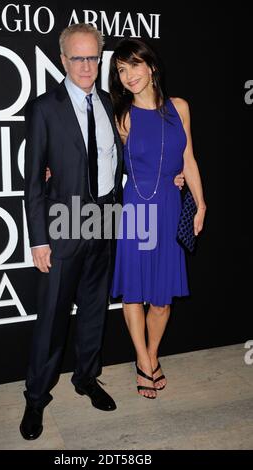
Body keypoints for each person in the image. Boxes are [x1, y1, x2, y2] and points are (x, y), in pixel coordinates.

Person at [22, 24, 184, 440]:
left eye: (93, 57)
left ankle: (87, 378)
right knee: (54, 316)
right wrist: (38, 238)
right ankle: (37, 396)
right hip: (65, 222)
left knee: (95, 310)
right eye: (77, 58)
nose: (86, 65)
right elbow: (33, 182)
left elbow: (138, 153)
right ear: (62, 60)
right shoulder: (45, 107)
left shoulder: (113, 105)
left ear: (100, 59)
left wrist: (175, 175)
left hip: (111, 217)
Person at [109, 38, 206, 399]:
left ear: (151, 67)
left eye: (134, 65)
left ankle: (151, 354)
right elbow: (100, 159)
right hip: (136, 208)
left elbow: (189, 159)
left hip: (168, 205)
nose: (128, 75)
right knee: (134, 291)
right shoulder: (122, 116)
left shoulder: (179, 107)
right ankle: (143, 360)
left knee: (162, 298)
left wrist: (200, 201)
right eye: (121, 69)